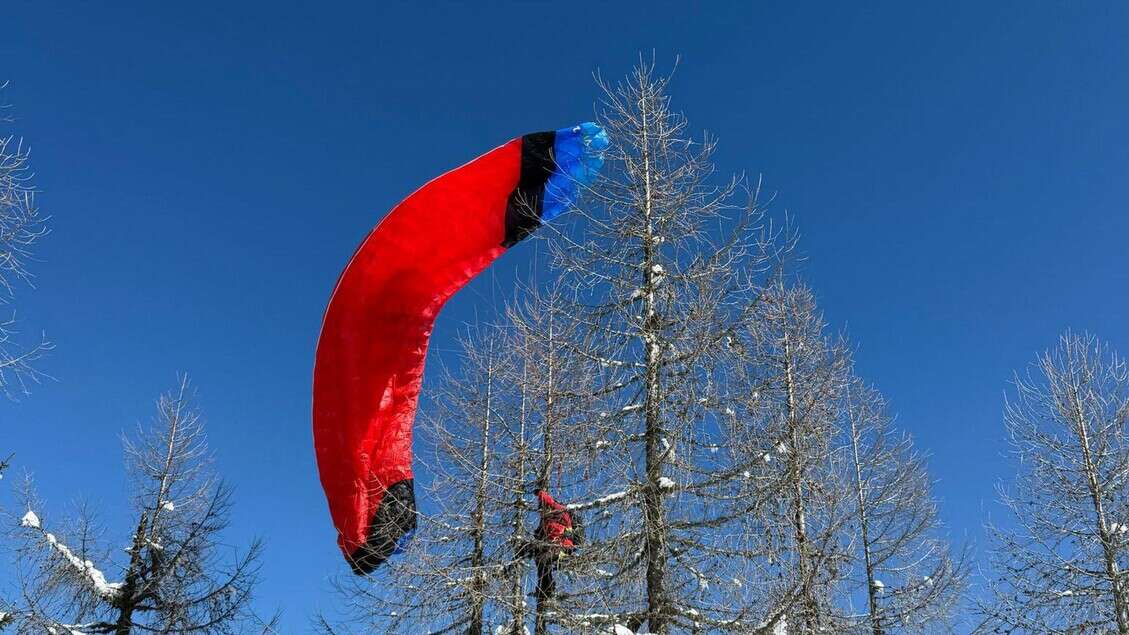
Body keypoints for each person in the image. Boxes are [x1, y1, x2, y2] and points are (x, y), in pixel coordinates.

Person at [529, 488, 575, 602]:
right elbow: (540, 534)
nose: (542, 513)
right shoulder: (546, 521)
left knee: (544, 560)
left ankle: (547, 589)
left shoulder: (560, 512)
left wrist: (540, 493)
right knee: (540, 561)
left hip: (564, 546)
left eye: (543, 509)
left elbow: (551, 502)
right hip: (553, 547)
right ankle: (545, 588)